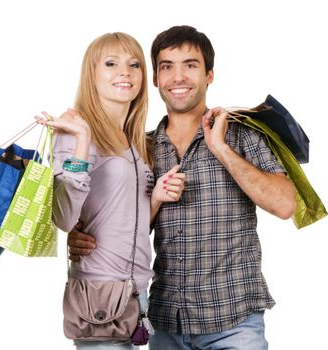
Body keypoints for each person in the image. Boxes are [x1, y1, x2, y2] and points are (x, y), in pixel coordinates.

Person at [68, 26, 297, 350]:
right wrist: (81, 237)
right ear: (156, 79)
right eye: (166, 67)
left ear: (209, 75)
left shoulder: (243, 136)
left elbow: (285, 205)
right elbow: (129, 227)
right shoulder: (141, 148)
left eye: (190, 65)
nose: (178, 77)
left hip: (234, 322)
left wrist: (221, 149)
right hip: (166, 323)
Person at [36, 32, 185, 350]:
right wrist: (81, 142)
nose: (125, 72)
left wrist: (155, 199)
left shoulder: (136, 143)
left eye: (134, 64)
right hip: (99, 289)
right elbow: (63, 218)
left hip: (138, 288)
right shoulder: (76, 131)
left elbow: (129, 224)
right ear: (92, 73)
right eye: (111, 63)